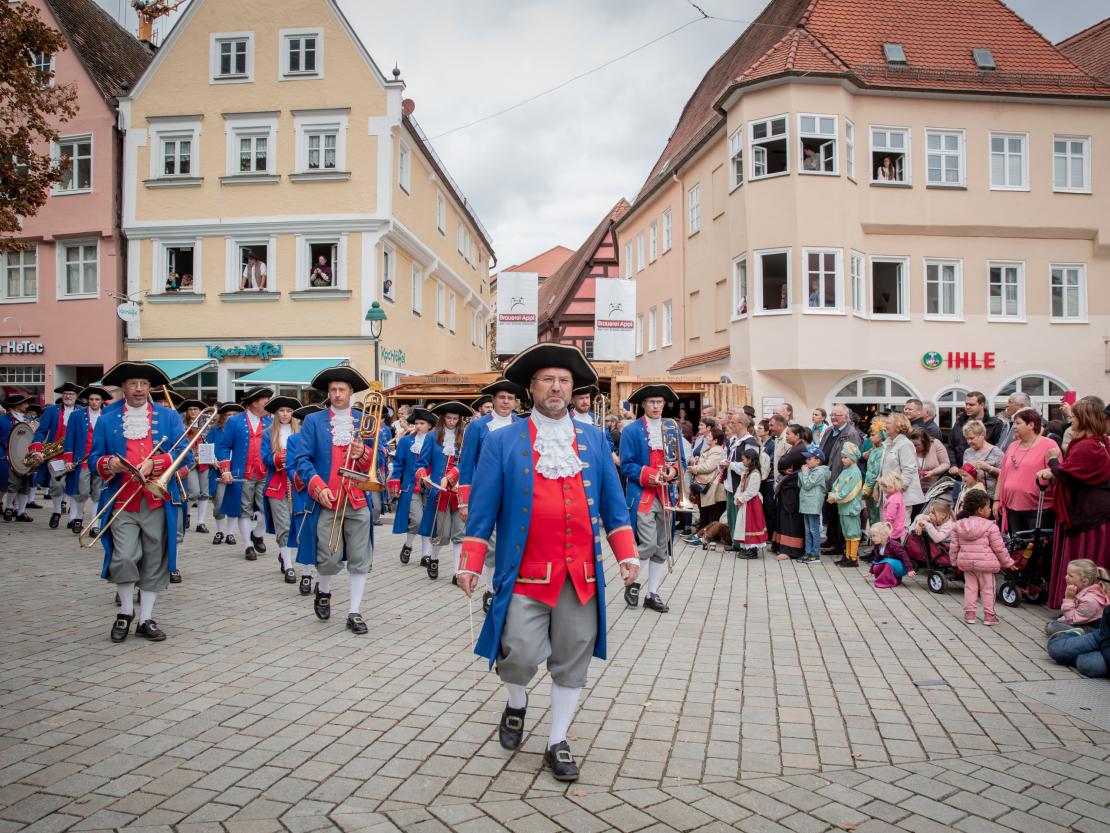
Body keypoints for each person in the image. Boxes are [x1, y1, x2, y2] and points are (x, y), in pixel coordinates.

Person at [455, 343, 638, 783]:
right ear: (531, 389)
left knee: (572, 660)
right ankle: (517, 702)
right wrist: (470, 562)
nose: (556, 388)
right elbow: (481, 508)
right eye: (548, 381)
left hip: (581, 575)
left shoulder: (594, 437)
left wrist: (627, 553)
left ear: (572, 389)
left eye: (564, 381)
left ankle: (557, 740)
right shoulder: (502, 441)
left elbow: (614, 504)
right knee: (515, 655)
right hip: (524, 573)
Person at [88, 361, 191, 642]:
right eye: (133, 383)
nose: (139, 389)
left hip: (156, 500)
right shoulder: (108, 419)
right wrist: (109, 463)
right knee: (123, 557)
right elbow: (94, 459)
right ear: (123, 386)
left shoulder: (168, 416)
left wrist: (157, 463)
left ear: (150, 387)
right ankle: (124, 611)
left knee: (154, 560)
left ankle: (146, 618)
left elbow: (186, 456)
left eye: (144, 384)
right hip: (121, 500)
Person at [292, 367, 377, 634]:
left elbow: (378, 460)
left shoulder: (366, 420)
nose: (337, 394)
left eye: (342, 390)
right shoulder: (314, 421)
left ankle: (354, 611)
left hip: (357, 498)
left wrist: (363, 451)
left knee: (360, 558)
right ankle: (324, 589)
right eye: (333, 390)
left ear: (351, 392)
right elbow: (301, 460)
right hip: (329, 499)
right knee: (328, 557)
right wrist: (317, 487)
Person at [458, 379, 525, 611]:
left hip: (515, 495)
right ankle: (490, 589)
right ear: (493, 400)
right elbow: (466, 465)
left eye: (510, 398)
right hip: (486, 494)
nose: (506, 402)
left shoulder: (522, 425)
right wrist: (464, 502)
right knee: (492, 546)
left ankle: (510, 589)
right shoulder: (477, 427)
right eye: (502, 398)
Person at [620, 384, 685, 612]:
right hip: (643, 496)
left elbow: (681, 462)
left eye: (659, 402)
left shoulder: (672, 429)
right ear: (643, 405)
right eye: (651, 402)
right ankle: (635, 583)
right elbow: (626, 465)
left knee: (662, 547)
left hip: (667, 495)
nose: (656, 406)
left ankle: (652, 593)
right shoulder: (631, 431)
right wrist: (651, 475)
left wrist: (673, 472)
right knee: (647, 543)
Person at [1043, 396, 1110, 609]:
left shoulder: (1088, 446)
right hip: (1090, 510)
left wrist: (1053, 460)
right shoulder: (1099, 442)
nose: (1071, 420)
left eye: (1074, 417)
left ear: (1085, 419)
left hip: (1087, 513)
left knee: (1084, 559)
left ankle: (1081, 606)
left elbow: (1068, 475)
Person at [217, 387, 273, 561]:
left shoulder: (270, 422)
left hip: (265, 472)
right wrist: (225, 469)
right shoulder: (235, 422)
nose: (268, 403)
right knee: (244, 511)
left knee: (267, 510)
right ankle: (248, 545)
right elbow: (224, 447)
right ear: (254, 403)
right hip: (242, 473)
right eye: (265, 400)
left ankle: (257, 534)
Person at [951, 489, 1015, 626]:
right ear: (980, 510)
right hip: (985, 565)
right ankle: (989, 615)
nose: (990, 509)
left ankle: (969, 614)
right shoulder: (991, 527)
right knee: (987, 589)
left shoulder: (959, 525)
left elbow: (954, 546)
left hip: (967, 563)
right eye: (988, 506)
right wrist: (1008, 562)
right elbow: (999, 548)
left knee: (970, 588)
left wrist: (953, 561)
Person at [421, 401, 470, 580]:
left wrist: (453, 477)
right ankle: (434, 559)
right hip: (439, 492)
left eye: (455, 419)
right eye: (448, 418)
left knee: (460, 533)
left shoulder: (466, 438)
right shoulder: (431, 437)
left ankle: (457, 572)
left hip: (459, 492)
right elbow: (422, 464)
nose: (451, 421)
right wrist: (423, 477)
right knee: (442, 532)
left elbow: (468, 462)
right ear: (443, 419)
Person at [994, 408, 1056, 535]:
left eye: (1018, 423)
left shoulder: (1049, 445)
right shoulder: (1012, 446)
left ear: (1031, 425)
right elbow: (1002, 475)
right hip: (1012, 508)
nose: (1014, 426)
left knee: (1036, 549)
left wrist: (1049, 471)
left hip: (1039, 509)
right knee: (1018, 549)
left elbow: (1056, 472)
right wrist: (997, 500)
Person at [30, 382, 82, 529]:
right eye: (65, 393)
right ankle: (57, 511)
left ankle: (72, 518)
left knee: (75, 485)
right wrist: (37, 449)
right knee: (57, 485)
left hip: (77, 455)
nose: (68, 396)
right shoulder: (52, 411)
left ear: (76, 396)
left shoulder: (82, 412)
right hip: (56, 455)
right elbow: (41, 431)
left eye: (71, 394)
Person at [261, 396, 302, 584]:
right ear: (276, 413)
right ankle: (289, 566)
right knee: (283, 525)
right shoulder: (268, 433)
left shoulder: (301, 432)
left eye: (289, 411)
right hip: (276, 484)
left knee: (296, 524)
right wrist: (280, 458)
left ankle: (284, 555)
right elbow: (265, 459)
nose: (285, 414)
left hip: (296, 484)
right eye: (282, 411)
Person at [390, 406, 437, 565]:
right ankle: (408, 545)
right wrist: (395, 480)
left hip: (430, 486)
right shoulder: (405, 441)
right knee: (417, 520)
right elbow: (398, 463)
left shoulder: (437, 442)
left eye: (422, 423)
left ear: (430, 426)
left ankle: (426, 555)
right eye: (416, 423)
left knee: (428, 521)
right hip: (411, 486)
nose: (418, 426)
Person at [62, 385, 109, 534]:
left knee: (98, 493)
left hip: (100, 460)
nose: (94, 402)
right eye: (91, 399)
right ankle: (78, 518)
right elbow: (69, 438)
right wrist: (68, 459)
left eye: (97, 399)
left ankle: (94, 524)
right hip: (82, 460)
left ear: (102, 401)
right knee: (81, 491)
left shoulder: (108, 415)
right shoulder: (77, 415)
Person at [818, 404, 862, 558]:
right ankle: (830, 539)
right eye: (832, 414)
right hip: (827, 476)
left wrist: (844, 478)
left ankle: (838, 544)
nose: (833, 417)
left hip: (840, 476)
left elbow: (853, 456)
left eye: (837, 415)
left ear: (846, 417)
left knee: (838, 512)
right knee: (829, 511)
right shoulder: (829, 430)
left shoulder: (850, 433)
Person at [289, 402, 324, 594]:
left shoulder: (326, 438)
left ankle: (321, 578)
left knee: (323, 537)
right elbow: (291, 466)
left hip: (324, 492)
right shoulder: (294, 440)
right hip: (303, 492)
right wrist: (304, 480)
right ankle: (306, 574)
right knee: (305, 535)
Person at [879, 413, 925, 528]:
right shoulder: (888, 443)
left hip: (902, 496)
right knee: (888, 526)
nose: (885, 425)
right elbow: (884, 468)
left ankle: (902, 547)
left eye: (888, 422)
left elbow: (908, 470)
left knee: (901, 528)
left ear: (898, 426)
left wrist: (898, 492)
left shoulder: (905, 444)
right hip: (889, 493)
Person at [1044, 560, 1109, 636]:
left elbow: (1073, 620)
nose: (1066, 577)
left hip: (1092, 629)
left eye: (1070, 576)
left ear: (1085, 581)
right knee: (1053, 624)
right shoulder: (1081, 590)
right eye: (1067, 574)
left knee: (1051, 626)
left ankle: (1081, 635)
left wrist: (1069, 599)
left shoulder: (1090, 600)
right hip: (1082, 623)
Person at [208, 403, 243, 546]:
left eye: (234, 414)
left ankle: (230, 533)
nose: (231, 417)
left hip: (236, 471)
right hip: (218, 471)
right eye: (228, 415)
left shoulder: (241, 430)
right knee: (218, 502)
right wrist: (212, 460)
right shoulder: (215, 430)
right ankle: (220, 531)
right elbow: (206, 447)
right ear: (223, 416)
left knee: (234, 502)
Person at [772, 423, 808, 560]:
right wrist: (783, 468)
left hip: (793, 489)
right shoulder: (794, 447)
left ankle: (791, 550)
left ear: (797, 435)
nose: (786, 436)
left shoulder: (800, 448)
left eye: (788, 434)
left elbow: (782, 462)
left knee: (790, 518)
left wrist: (783, 465)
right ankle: (781, 545)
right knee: (783, 517)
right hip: (788, 486)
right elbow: (782, 466)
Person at [177, 399, 212, 535]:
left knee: (204, 493)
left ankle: (201, 522)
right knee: (193, 492)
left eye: (195, 409)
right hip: (190, 462)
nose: (193, 412)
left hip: (204, 461)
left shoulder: (207, 425)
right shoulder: (182, 426)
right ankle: (186, 515)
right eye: (190, 409)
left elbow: (210, 442)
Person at [1046, 605, 1110, 679]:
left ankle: (1076, 654)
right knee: (1056, 649)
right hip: (1103, 636)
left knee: (1092, 666)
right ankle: (1075, 635)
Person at [686, 425, 726, 542]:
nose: (707, 438)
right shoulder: (711, 450)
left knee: (712, 511)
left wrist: (694, 468)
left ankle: (711, 535)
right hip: (706, 485)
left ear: (715, 440)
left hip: (711, 486)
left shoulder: (717, 451)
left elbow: (709, 467)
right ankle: (702, 534)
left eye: (709, 436)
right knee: (705, 511)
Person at [827, 443, 864, 567]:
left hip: (851, 508)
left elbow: (849, 491)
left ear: (853, 458)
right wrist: (833, 494)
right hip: (843, 507)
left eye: (846, 457)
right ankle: (847, 555)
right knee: (846, 533)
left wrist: (836, 497)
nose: (843, 459)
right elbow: (836, 485)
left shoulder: (855, 472)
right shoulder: (846, 471)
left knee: (853, 532)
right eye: (842, 457)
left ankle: (853, 558)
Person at [1, 395, 35, 522]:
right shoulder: (3, 419)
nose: (27, 406)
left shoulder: (28, 419)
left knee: (26, 484)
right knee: (13, 483)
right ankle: (9, 507)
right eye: (24, 403)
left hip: (26, 455)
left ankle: (21, 512)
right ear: (16, 405)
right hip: (9, 455)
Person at [947, 391, 1002, 467]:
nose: (967, 407)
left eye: (971, 405)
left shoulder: (994, 424)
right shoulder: (959, 423)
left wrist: (989, 468)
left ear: (982, 405)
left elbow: (998, 448)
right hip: (960, 471)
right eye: (966, 404)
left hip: (985, 471)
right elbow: (951, 447)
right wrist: (953, 465)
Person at [953, 420, 1004, 500]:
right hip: (970, 497)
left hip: (989, 498)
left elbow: (1005, 475)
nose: (969, 441)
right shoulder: (967, 452)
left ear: (982, 435)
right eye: (967, 439)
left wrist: (989, 468)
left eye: (972, 438)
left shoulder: (996, 452)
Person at [732, 446, 767, 558]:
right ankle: (746, 547)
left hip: (752, 503)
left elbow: (752, 491)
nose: (743, 461)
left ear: (750, 460)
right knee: (744, 525)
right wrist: (737, 497)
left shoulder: (755, 474)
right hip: (745, 502)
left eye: (744, 459)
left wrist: (741, 499)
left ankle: (752, 550)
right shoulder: (746, 472)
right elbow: (740, 487)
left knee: (751, 525)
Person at [797, 445, 830, 564]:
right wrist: (803, 473)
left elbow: (807, 485)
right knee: (807, 530)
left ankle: (815, 554)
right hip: (806, 503)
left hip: (813, 504)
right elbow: (801, 485)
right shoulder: (811, 471)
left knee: (813, 529)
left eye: (810, 458)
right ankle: (808, 552)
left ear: (818, 460)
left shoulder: (819, 472)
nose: (807, 461)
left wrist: (804, 473)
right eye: (806, 459)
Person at [867, 522, 915, 588]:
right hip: (891, 565)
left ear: (884, 535)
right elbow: (877, 558)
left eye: (874, 536)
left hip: (901, 568)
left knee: (887, 562)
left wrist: (910, 569)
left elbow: (904, 557)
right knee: (876, 565)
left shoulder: (894, 545)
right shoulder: (878, 546)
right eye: (871, 536)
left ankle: (887, 581)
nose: (872, 538)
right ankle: (889, 579)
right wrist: (871, 571)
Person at [910, 427, 949, 500]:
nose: (914, 448)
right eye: (912, 445)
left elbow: (946, 464)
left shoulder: (935, 444)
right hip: (914, 490)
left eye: (917, 445)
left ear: (925, 442)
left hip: (934, 488)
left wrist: (933, 472)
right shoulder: (909, 448)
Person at [861, 420, 886, 535]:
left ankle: (877, 542)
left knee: (877, 516)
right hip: (871, 487)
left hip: (875, 488)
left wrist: (868, 488)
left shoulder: (881, 451)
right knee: (872, 515)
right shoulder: (875, 449)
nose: (870, 438)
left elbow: (875, 472)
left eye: (873, 435)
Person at [878, 472, 906, 542]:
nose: (883, 489)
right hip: (898, 527)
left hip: (892, 530)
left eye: (884, 487)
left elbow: (890, 517)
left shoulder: (893, 500)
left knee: (892, 546)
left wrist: (884, 528)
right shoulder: (898, 495)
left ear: (890, 486)